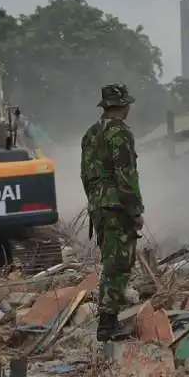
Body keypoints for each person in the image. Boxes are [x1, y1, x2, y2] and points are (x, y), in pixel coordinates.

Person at [80, 84, 144, 342]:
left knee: (111, 261)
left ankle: (108, 321)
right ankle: (107, 325)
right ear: (124, 106)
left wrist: (95, 202)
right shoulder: (120, 133)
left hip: (99, 207)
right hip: (117, 208)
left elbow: (85, 174)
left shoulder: (91, 133)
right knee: (118, 264)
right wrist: (136, 210)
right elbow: (125, 175)